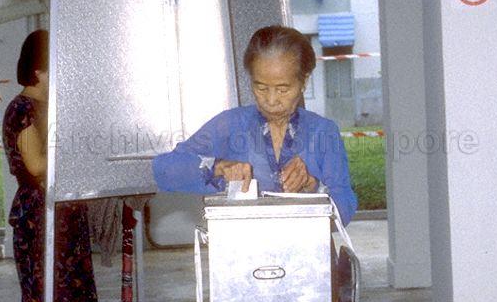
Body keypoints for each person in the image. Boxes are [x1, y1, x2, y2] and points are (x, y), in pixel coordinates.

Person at [153, 25, 358, 225]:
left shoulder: (323, 132)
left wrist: (312, 185)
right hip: (242, 252)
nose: (270, 100)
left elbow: (345, 209)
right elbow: (164, 169)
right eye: (260, 87)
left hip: (309, 253)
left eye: (282, 90)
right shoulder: (229, 125)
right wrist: (219, 167)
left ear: (303, 82)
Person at [2, 29, 102, 302]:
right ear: (40, 70)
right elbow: (36, 164)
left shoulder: (46, 108)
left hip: (60, 216)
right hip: (39, 219)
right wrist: (71, 143)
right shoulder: (24, 109)